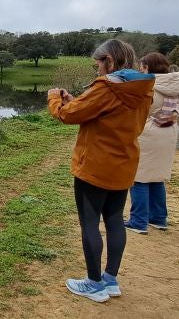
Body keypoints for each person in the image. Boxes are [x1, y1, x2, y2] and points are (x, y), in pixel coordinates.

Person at [48, 39, 154, 302]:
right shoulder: (142, 89)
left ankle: (94, 283)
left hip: (95, 165)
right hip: (123, 163)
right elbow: (104, 114)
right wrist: (76, 102)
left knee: (89, 223)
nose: (97, 70)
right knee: (115, 220)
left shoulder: (106, 87)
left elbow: (67, 115)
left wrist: (54, 99)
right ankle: (110, 279)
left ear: (109, 59)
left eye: (98, 64)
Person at [124, 53, 179, 235]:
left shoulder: (152, 85)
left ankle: (138, 220)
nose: (141, 70)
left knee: (139, 176)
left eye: (143, 67)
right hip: (168, 131)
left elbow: (141, 109)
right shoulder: (174, 85)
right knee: (156, 176)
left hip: (150, 133)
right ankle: (158, 218)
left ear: (149, 67)